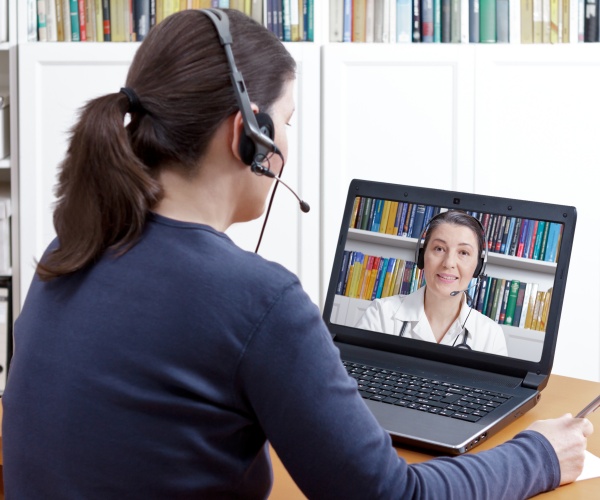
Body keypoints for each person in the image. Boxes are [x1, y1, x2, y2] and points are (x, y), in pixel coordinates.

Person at [1, 8, 592, 499]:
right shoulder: (256, 298)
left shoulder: (71, 249)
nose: (287, 140)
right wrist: (538, 453)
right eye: (285, 121)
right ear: (248, 135)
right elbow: (391, 496)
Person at [357, 210, 508, 355]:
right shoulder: (381, 314)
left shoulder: (491, 336)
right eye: (439, 249)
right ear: (422, 256)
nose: (448, 263)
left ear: (478, 267)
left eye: (463, 252)